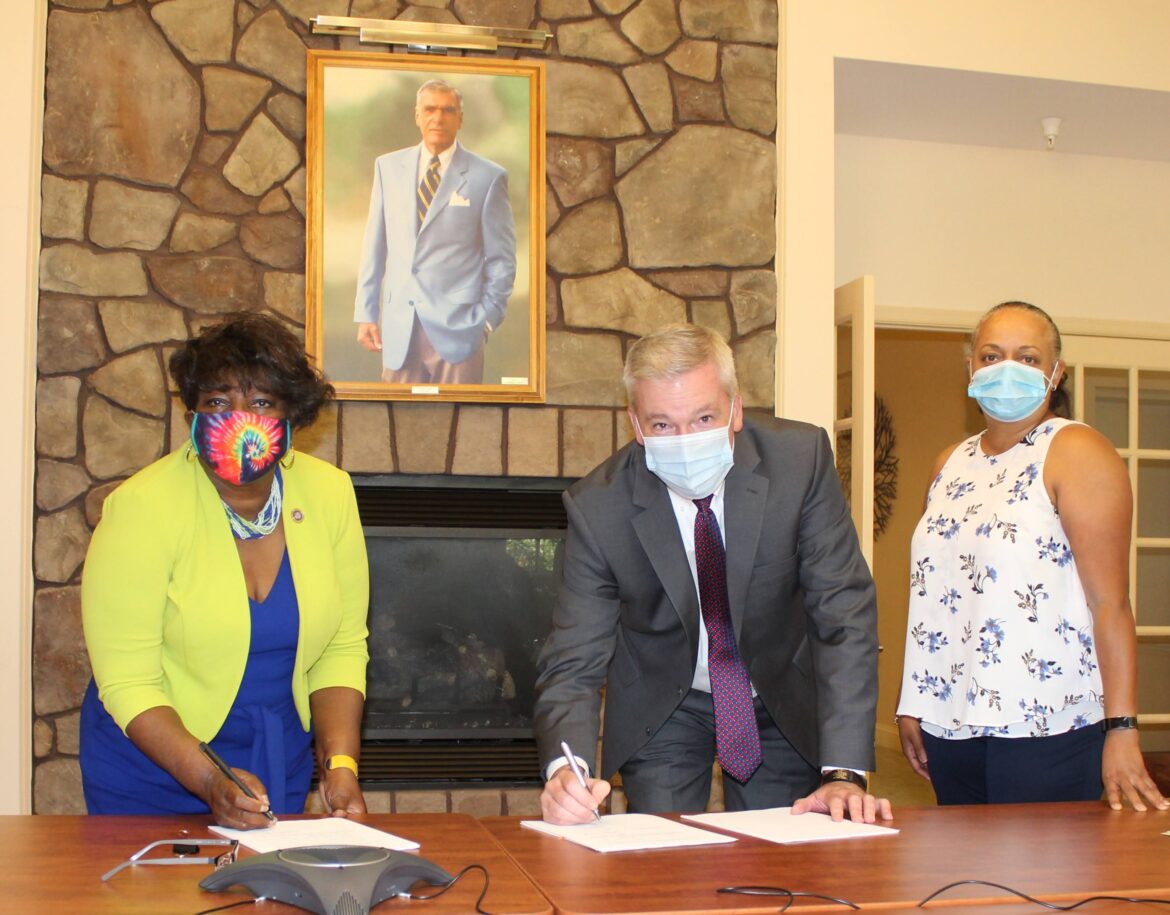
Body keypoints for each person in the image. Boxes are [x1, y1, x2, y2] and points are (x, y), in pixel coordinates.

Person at [534, 324, 891, 825]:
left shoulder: (799, 462)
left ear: (736, 410)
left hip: (777, 691)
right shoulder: (599, 507)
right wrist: (564, 771)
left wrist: (845, 773)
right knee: (660, 862)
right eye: (662, 425)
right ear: (635, 425)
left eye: (704, 417)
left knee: (777, 862)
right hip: (664, 700)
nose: (686, 440)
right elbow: (574, 657)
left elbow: (843, 615)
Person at [80, 314, 370, 828]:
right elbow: (128, 682)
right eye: (217, 402)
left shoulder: (330, 494)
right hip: (153, 775)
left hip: (273, 768)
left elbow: (340, 648)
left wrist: (340, 767)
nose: (238, 418)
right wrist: (210, 778)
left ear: (291, 415)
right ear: (191, 411)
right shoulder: (141, 507)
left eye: (260, 403)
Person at [896, 301, 1168, 811]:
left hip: (1048, 728)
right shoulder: (949, 463)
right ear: (970, 368)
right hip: (948, 726)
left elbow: (1111, 604)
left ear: (1055, 372)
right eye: (992, 355)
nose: (1007, 369)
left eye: (1028, 358)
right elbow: (937, 595)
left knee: (1044, 887)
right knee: (961, 884)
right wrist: (913, 701)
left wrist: (1123, 729)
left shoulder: (1076, 450)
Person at [354, 79, 516, 385]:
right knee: (394, 427)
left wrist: (485, 322)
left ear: (460, 118)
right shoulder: (387, 168)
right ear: (417, 115)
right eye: (429, 109)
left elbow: (502, 259)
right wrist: (366, 311)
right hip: (399, 328)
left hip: (459, 333)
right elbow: (374, 247)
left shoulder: (488, 177)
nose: (438, 118)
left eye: (447, 110)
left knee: (462, 428)